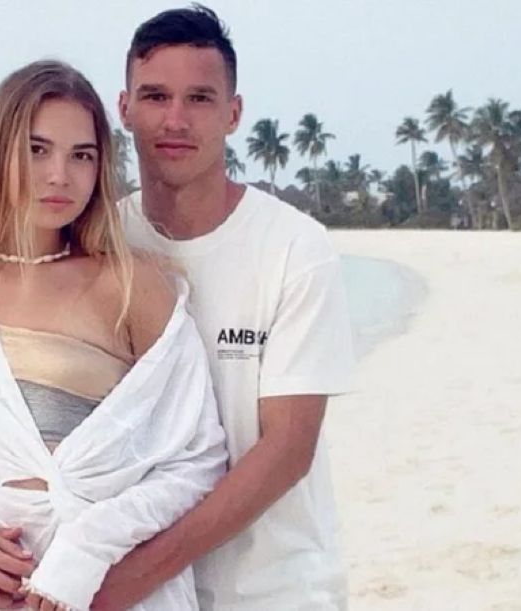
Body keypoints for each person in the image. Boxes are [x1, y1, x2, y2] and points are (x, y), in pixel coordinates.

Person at [0, 59, 227, 611]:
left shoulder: (131, 285)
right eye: (37, 150)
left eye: (82, 156)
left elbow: (200, 460)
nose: (59, 176)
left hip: (125, 590)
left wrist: (88, 547)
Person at [92, 5, 354, 609]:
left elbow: (287, 451)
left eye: (200, 99)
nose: (175, 120)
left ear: (233, 114)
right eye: (155, 96)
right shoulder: (102, 241)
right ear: (125, 108)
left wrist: (133, 577)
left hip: (274, 588)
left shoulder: (294, 248)